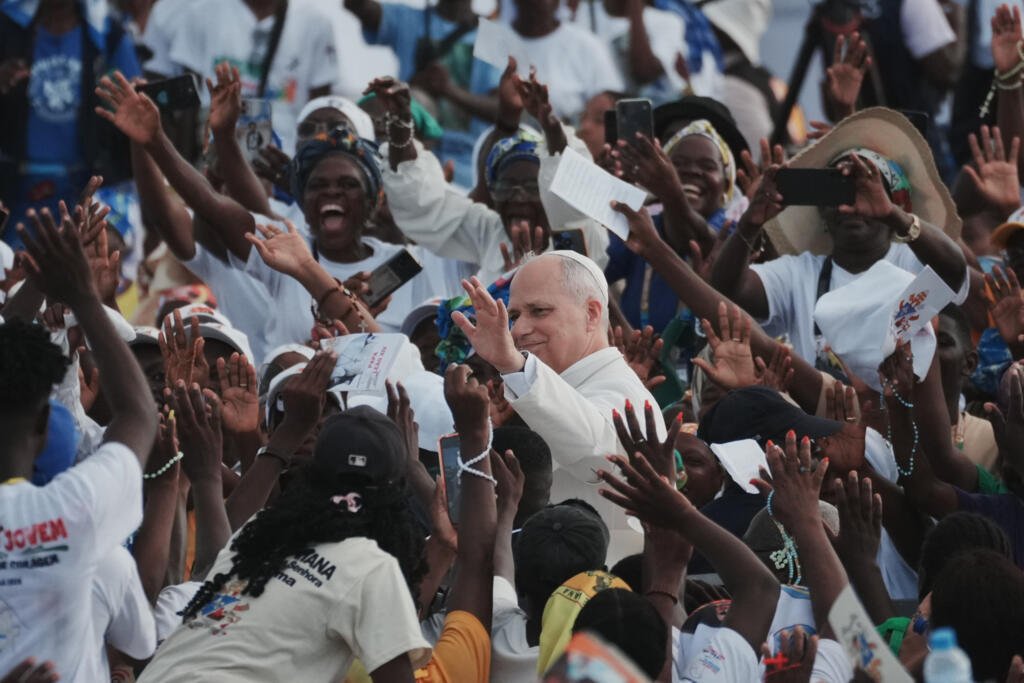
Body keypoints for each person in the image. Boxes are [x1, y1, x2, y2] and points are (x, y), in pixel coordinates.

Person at [0, 209, 157, 679]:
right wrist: (82, 296)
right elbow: (137, 415)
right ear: (46, 422)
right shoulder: (76, 512)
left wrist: (39, 289)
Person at [711, 108, 969, 369]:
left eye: (867, 191)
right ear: (822, 210)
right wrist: (750, 224)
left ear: (896, 202)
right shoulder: (800, 273)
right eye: (840, 191)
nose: (851, 206)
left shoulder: (913, 264)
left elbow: (953, 270)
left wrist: (894, 216)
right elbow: (729, 290)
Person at [453, 250, 665, 559]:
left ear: (591, 314)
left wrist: (513, 365)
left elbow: (594, 452)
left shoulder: (623, 392)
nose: (518, 330)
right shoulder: (549, 385)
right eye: (514, 316)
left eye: (539, 311)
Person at [373, 70, 610, 286]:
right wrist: (402, 123)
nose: (517, 197)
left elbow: (572, 195)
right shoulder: (492, 232)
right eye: (506, 186)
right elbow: (421, 203)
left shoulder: (579, 233)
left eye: (531, 186)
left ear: (549, 185)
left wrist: (549, 125)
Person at [0, 0, 141, 247]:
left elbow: (136, 110)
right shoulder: (8, 29)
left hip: (84, 191)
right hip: (14, 193)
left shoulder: (108, 36)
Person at [344, 0, 502, 187]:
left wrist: (449, 91)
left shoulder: (494, 36)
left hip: (466, 173)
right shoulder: (406, 19)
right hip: (408, 160)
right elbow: (356, 5)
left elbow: (502, 110)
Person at [160, 0, 338, 153]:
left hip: (283, 165)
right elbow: (187, 106)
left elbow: (319, 110)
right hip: (216, 161)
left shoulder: (315, 24)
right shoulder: (202, 13)